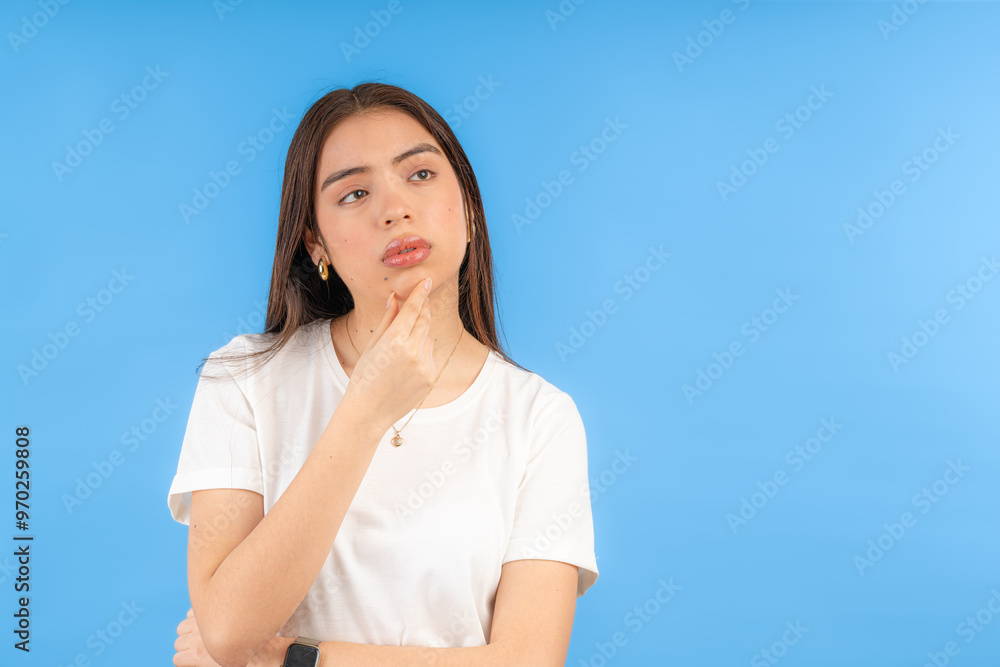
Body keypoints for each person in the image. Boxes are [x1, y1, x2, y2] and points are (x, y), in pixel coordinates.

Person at [167, 82, 599, 667]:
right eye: (354, 193)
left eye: (419, 175)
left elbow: (527, 661)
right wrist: (366, 408)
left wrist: (298, 658)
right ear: (314, 241)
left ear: (468, 210)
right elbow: (226, 629)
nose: (393, 208)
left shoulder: (539, 417)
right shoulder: (244, 380)